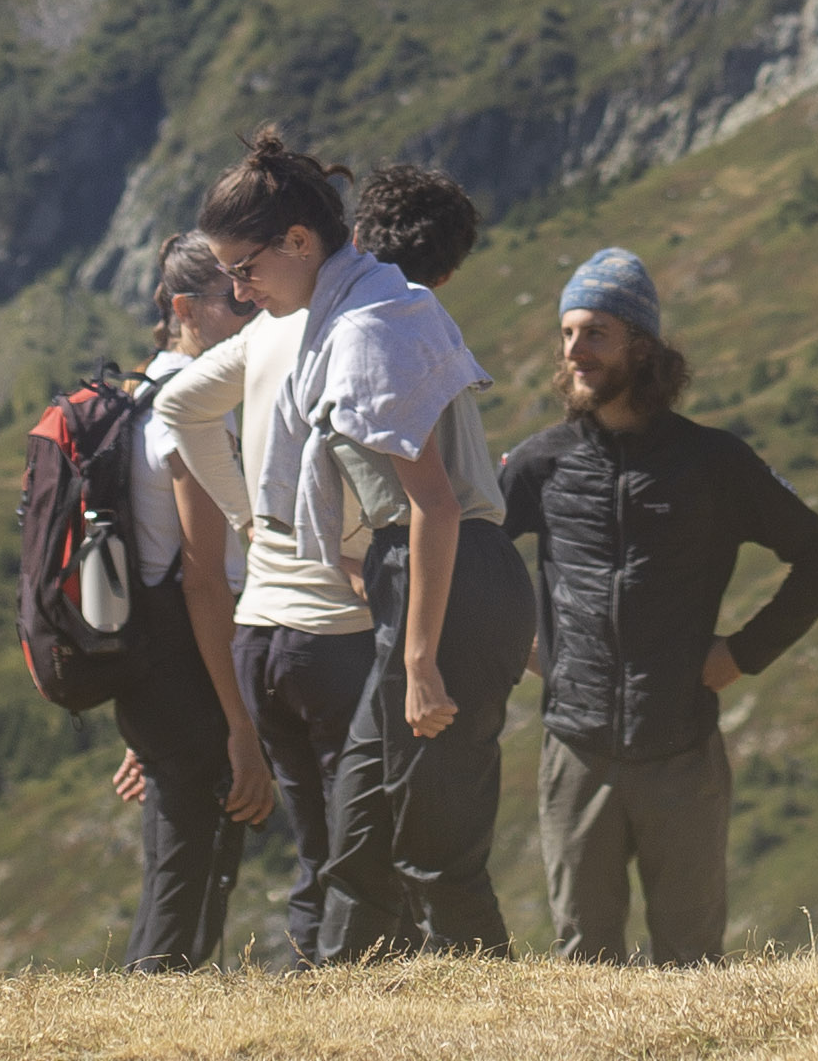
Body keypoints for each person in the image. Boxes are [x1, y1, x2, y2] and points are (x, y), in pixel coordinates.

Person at [499, 245, 818, 965]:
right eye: (567, 334)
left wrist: (743, 653)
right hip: (576, 750)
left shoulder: (713, 463)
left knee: (692, 963)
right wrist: (519, 645)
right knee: (584, 963)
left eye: (595, 333)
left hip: (682, 751)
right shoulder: (540, 463)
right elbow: (466, 555)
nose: (576, 351)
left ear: (642, 346)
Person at [169, 126, 415, 965]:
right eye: (232, 277)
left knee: (319, 848)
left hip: (260, 638)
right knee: (366, 848)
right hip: (335, 631)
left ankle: (317, 989)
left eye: (244, 271)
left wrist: (247, 517)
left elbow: (179, 408)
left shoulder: (268, 333)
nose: (240, 294)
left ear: (299, 242)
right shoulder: (351, 323)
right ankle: (358, 999)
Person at [322, 160, 529, 957]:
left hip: (434, 572)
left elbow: (431, 506)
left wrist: (418, 656)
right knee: (364, 824)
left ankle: (496, 1006)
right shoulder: (413, 317)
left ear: (356, 237)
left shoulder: (375, 325)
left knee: (434, 846)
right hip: (449, 571)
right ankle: (340, 998)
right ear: (447, 270)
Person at [100, 238, 276, 970]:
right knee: (189, 875)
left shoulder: (140, 397)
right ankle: (151, 1012)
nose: (252, 309)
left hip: (156, 664)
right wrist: (242, 726)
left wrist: (148, 723)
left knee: (180, 866)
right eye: (235, 299)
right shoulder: (192, 412)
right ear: (185, 310)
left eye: (252, 291)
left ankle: (153, 1008)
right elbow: (203, 579)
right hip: (198, 661)